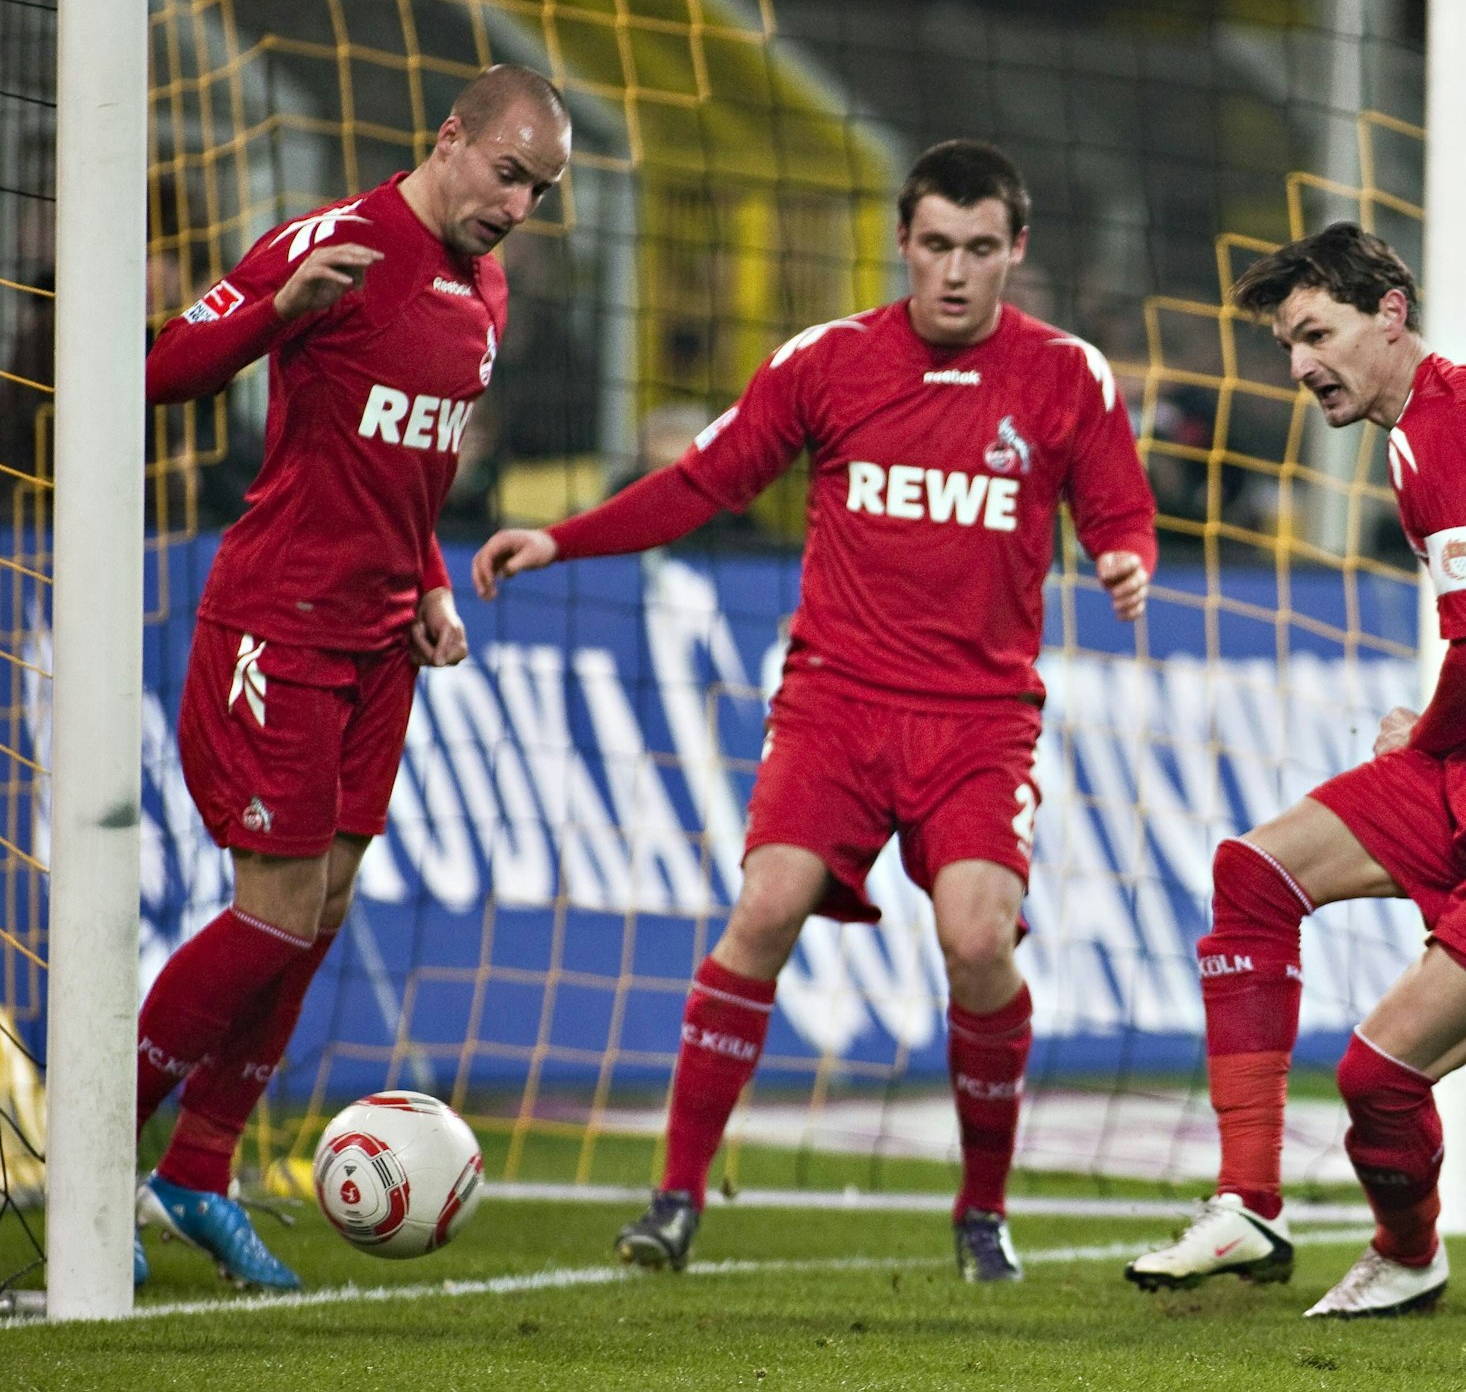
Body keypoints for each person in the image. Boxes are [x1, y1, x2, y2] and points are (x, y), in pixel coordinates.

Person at [472, 140, 1158, 1284]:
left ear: (1013, 252)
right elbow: (704, 480)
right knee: (765, 907)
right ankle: (675, 1199)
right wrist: (562, 537)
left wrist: (1126, 560)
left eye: (978, 250)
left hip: (978, 721)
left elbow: (1119, 509)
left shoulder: (1066, 377)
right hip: (836, 703)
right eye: (934, 245)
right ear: (902, 241)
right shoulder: (829, 362)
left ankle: (981, 1210)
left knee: (978, 940)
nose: (952, 273)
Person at [1122, 223, 1466, 1317]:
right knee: (1254, 870)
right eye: (1287, 344)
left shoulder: (1443, 434)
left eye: (1316, 333)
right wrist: (1451, 730)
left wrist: (1423, 734)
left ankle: (1406, 1252)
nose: (1299, 366)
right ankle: (1246, 1203)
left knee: (1376, 1078)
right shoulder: (1448, 410)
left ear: (1389, 313)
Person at [133, 63, 571, 1289]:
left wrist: (430, 584)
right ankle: (97, 1150)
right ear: (450, 138)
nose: (519, 207)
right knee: (271, 910)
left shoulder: (482, 290)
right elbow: (161, 372)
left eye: (540, 189)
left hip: (383, 639)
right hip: (277, 622)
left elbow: (408, 467)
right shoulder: (329, 242)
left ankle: (198, 1170)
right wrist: (279, 311)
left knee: (319, 910)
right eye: (507, 174)